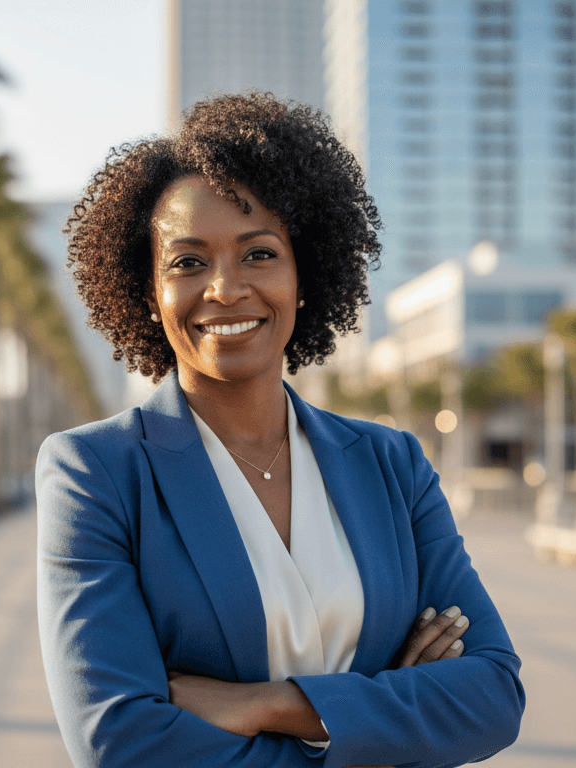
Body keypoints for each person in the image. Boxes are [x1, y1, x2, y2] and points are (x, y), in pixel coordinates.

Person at [35, 93, 525, 768]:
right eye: (188, 262)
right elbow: (118, 740)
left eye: (259, 254)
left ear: (304, 275)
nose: (226, 288)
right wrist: (381, 718)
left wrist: (267, 704)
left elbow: (493, 694)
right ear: (149, 293)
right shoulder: (95, 473)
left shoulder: (392, 464)